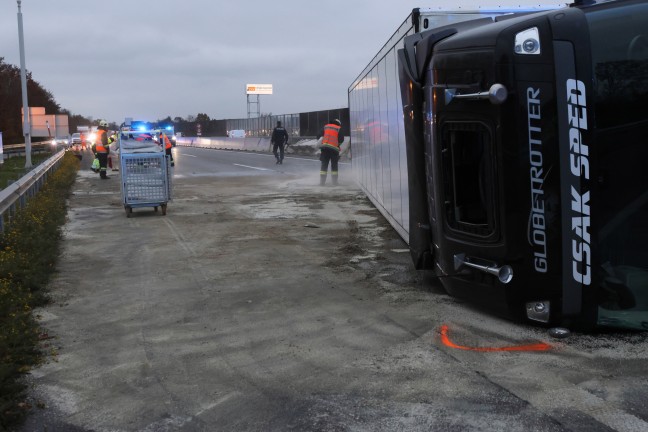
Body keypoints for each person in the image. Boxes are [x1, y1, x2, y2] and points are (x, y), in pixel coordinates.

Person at [317, 119, 344, 186]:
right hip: (334, 149)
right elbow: (341, 139)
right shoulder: (338, 128)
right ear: (338, 123)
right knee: (334, 166)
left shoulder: (325, 127)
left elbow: (318, 136)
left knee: (324, 165)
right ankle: (334, 182)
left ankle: (322, 182)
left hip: (325, 148)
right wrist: (338, 144)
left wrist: (322, 142)